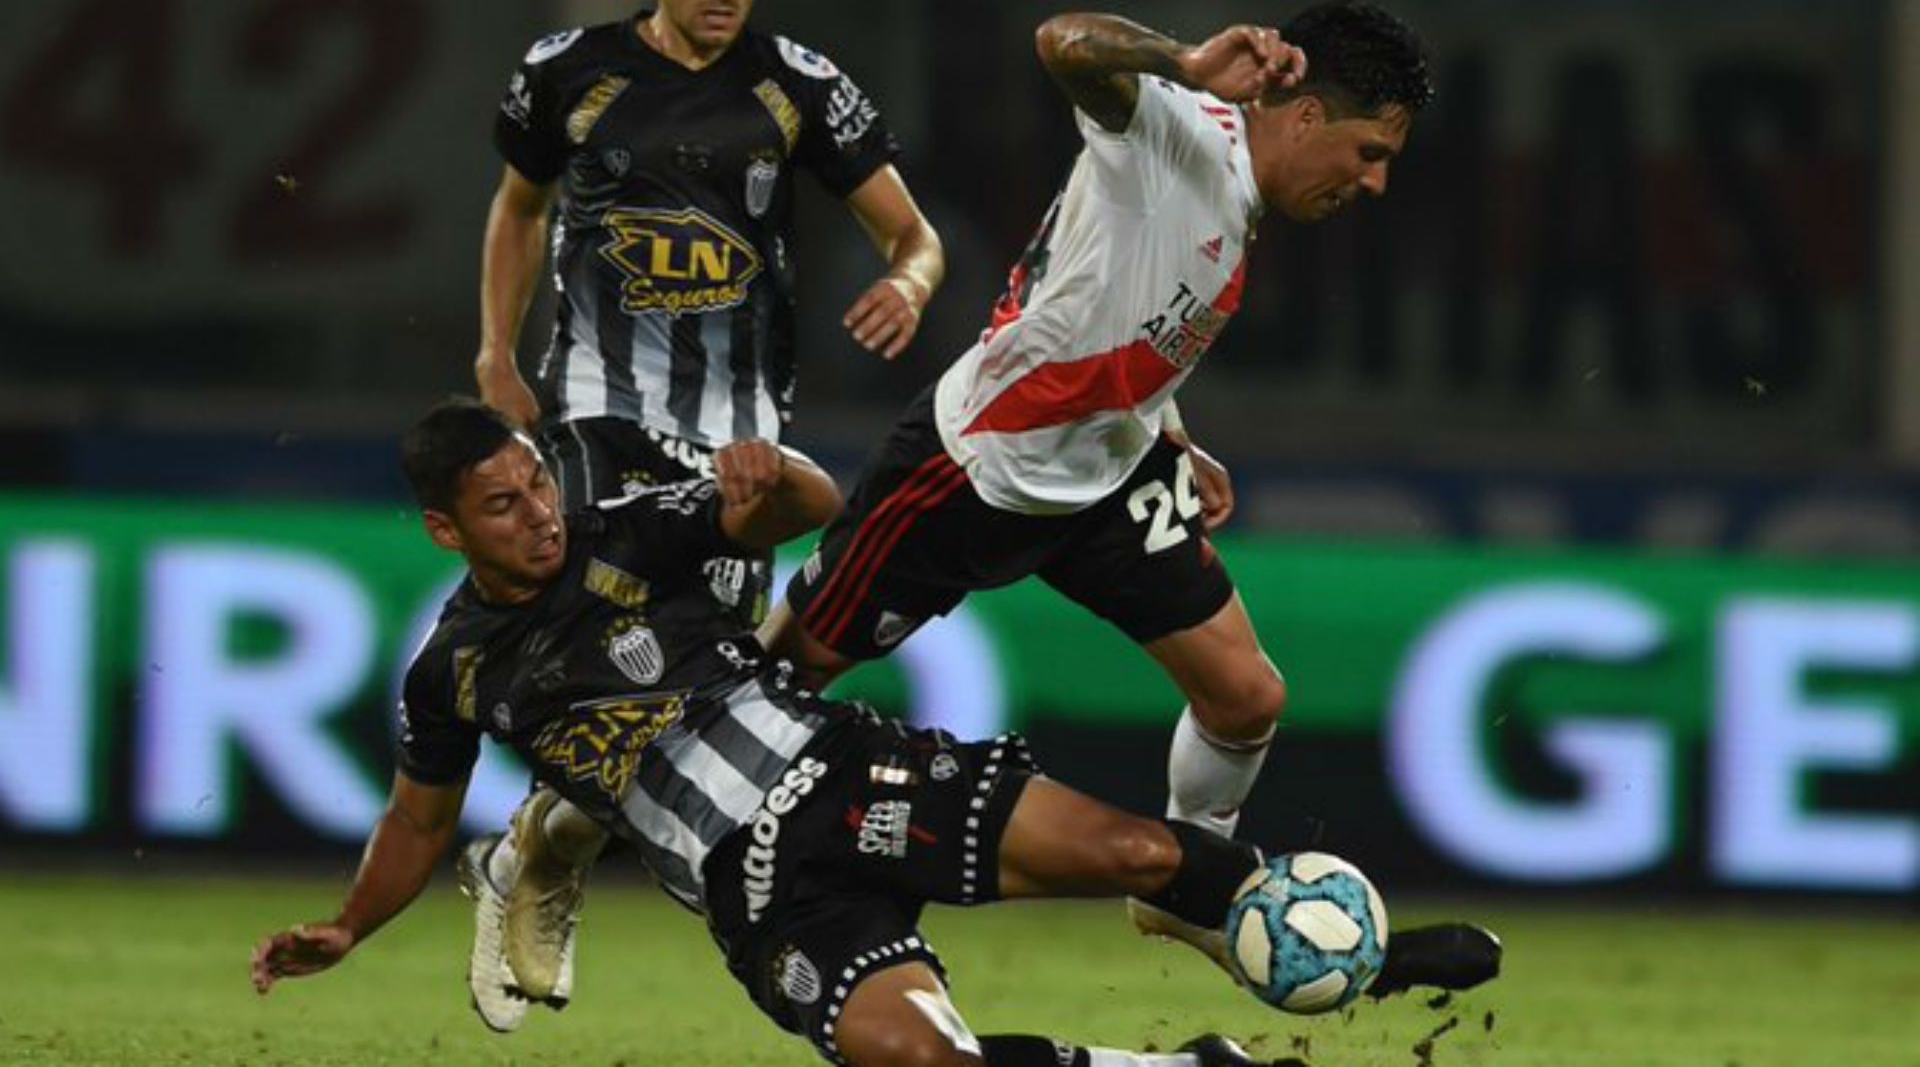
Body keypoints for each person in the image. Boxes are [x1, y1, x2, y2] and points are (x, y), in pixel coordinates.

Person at [491, 0, 1445, 993]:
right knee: (765, 688)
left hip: (1107, 472)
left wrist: (1170, 429)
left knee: (1247, 698)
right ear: (1303, 117)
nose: (1372, 183)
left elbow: (1090, 289)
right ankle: (554, 837)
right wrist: (1185, 59)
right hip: (970, 474)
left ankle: (1178, 892)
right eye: (1370, 153)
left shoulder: (1236, 191)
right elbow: (1063, 43)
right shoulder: (1172, 122)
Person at [250, 401, 1498, 1067]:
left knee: (1137, 856)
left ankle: (1353, 955)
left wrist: (767, 474)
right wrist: (350, 927)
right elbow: (418, 821)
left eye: (537, 484)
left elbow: (813, 507)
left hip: (837, 776)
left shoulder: (629, 529)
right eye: (502, 505)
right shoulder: (451, 673)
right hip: (751, 896)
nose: (537, 515)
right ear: (443, 530)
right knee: (918, 1063)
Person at [472, 0, 944, 1026]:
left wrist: (909, 287)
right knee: (596, 650)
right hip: (599, 413)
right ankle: (544, 854)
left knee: (689, 703)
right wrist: (495, 353)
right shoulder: (567, 73)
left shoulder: (800, 87)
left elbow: (915, 238)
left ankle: (542, 846)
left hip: (739, 441)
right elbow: (520, 206)